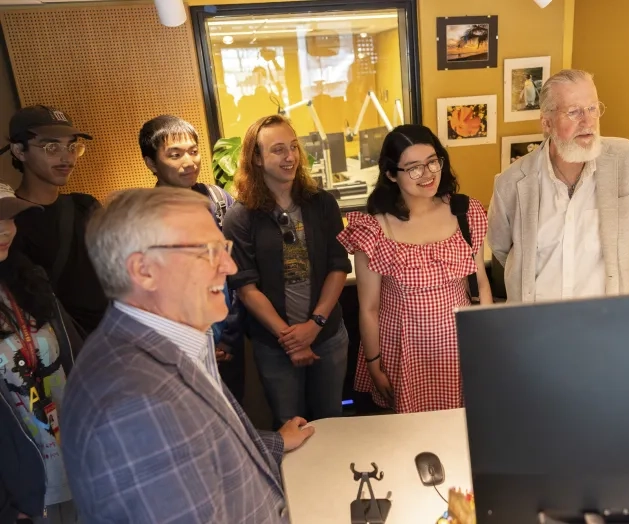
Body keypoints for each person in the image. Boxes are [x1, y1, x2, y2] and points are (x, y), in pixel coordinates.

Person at [60, 188, 313, 523]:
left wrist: (275, 443)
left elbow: (201, 445)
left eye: (223, 248)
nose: (229, 266)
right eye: (207, 252)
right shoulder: (134, 403)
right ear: (144, 271)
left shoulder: (173, 341)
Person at [487, 69, 629, 303]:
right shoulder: (511, 182)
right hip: (538, 320)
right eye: (574, 112)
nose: (588, 121)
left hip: (608, 318)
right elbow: (501, 248)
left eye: (592, 108)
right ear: (547, 123)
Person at [337, 124, 492, 414]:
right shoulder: (373, 228)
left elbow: (480, 284)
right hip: (404, 351)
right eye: (413, 168)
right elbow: (369, 308)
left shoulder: (464, 211)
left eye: (432, 162)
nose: (428, 174)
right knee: (409, 433)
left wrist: (484, 344)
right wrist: (374, 364)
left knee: (459, 428)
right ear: (391, 174)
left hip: (459, 348)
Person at [223, 114, 351, 429]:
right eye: (278, 150)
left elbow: (338, 266)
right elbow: (246, 288)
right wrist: (291, 339)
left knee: (332, 424)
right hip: (274, 345)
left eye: (293, 147)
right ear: (256, 158)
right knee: (290, 427)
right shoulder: (240, 218)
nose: (290, 156)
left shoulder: (322, 204)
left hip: (327, 336)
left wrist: (315, 325)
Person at [138, 114, 245, 403]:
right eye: (175, 155)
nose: (189, 161)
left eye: (193, 151)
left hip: (228, 342)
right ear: (151, 163)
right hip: (181, 351)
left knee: (235, 414)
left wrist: (228, 337)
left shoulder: (219, 201)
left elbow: (237, 273)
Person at [0, 183, 83, 524]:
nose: (5, 229)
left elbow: (76, 359)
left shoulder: (28, 282)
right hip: (24, 494)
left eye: (9, 218)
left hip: (77, 465)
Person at [1, 105, 108, 336]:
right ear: (19, 151)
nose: (66, 157)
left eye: (72, 147)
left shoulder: (84, 206)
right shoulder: (9, 223)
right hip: (63, 344)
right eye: (51, 147)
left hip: (111, 335)